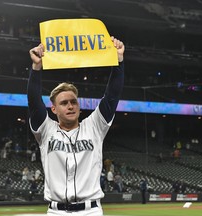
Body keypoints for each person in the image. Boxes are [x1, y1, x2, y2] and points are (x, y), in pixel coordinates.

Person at [28, 36, 125, 216]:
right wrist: (36, 68)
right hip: (56, 211)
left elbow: (112, 97)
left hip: (91, 211)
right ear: (54, 108)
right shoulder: (46, 130)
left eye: (74, 102)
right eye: (64, 103)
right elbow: (34, 103)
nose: (71, 106)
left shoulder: (94, 126)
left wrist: (118, 61)